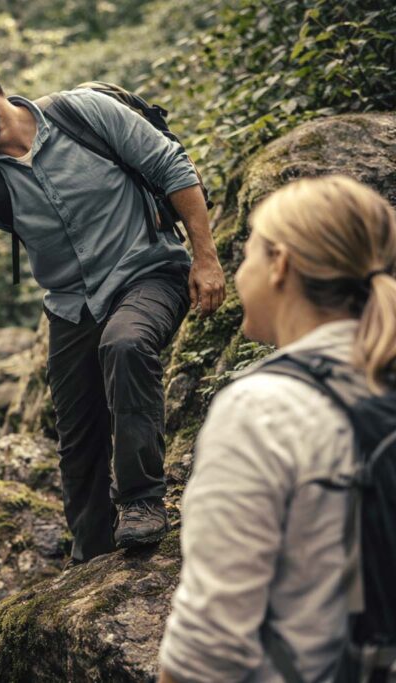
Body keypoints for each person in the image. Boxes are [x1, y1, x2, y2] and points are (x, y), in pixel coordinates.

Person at [0, 47, 225, 562]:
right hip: (71, 307)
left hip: (149, 271)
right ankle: (92, 557)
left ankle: (142, 502)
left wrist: (206, 258)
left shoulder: (85, 114)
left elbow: (171, 165)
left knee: (126, 344)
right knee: (78, 440)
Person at [158, 175, 396, 682]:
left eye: (248, 253)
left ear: (280, 265)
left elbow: (208, 649)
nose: (240, 270)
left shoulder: (264, 410)